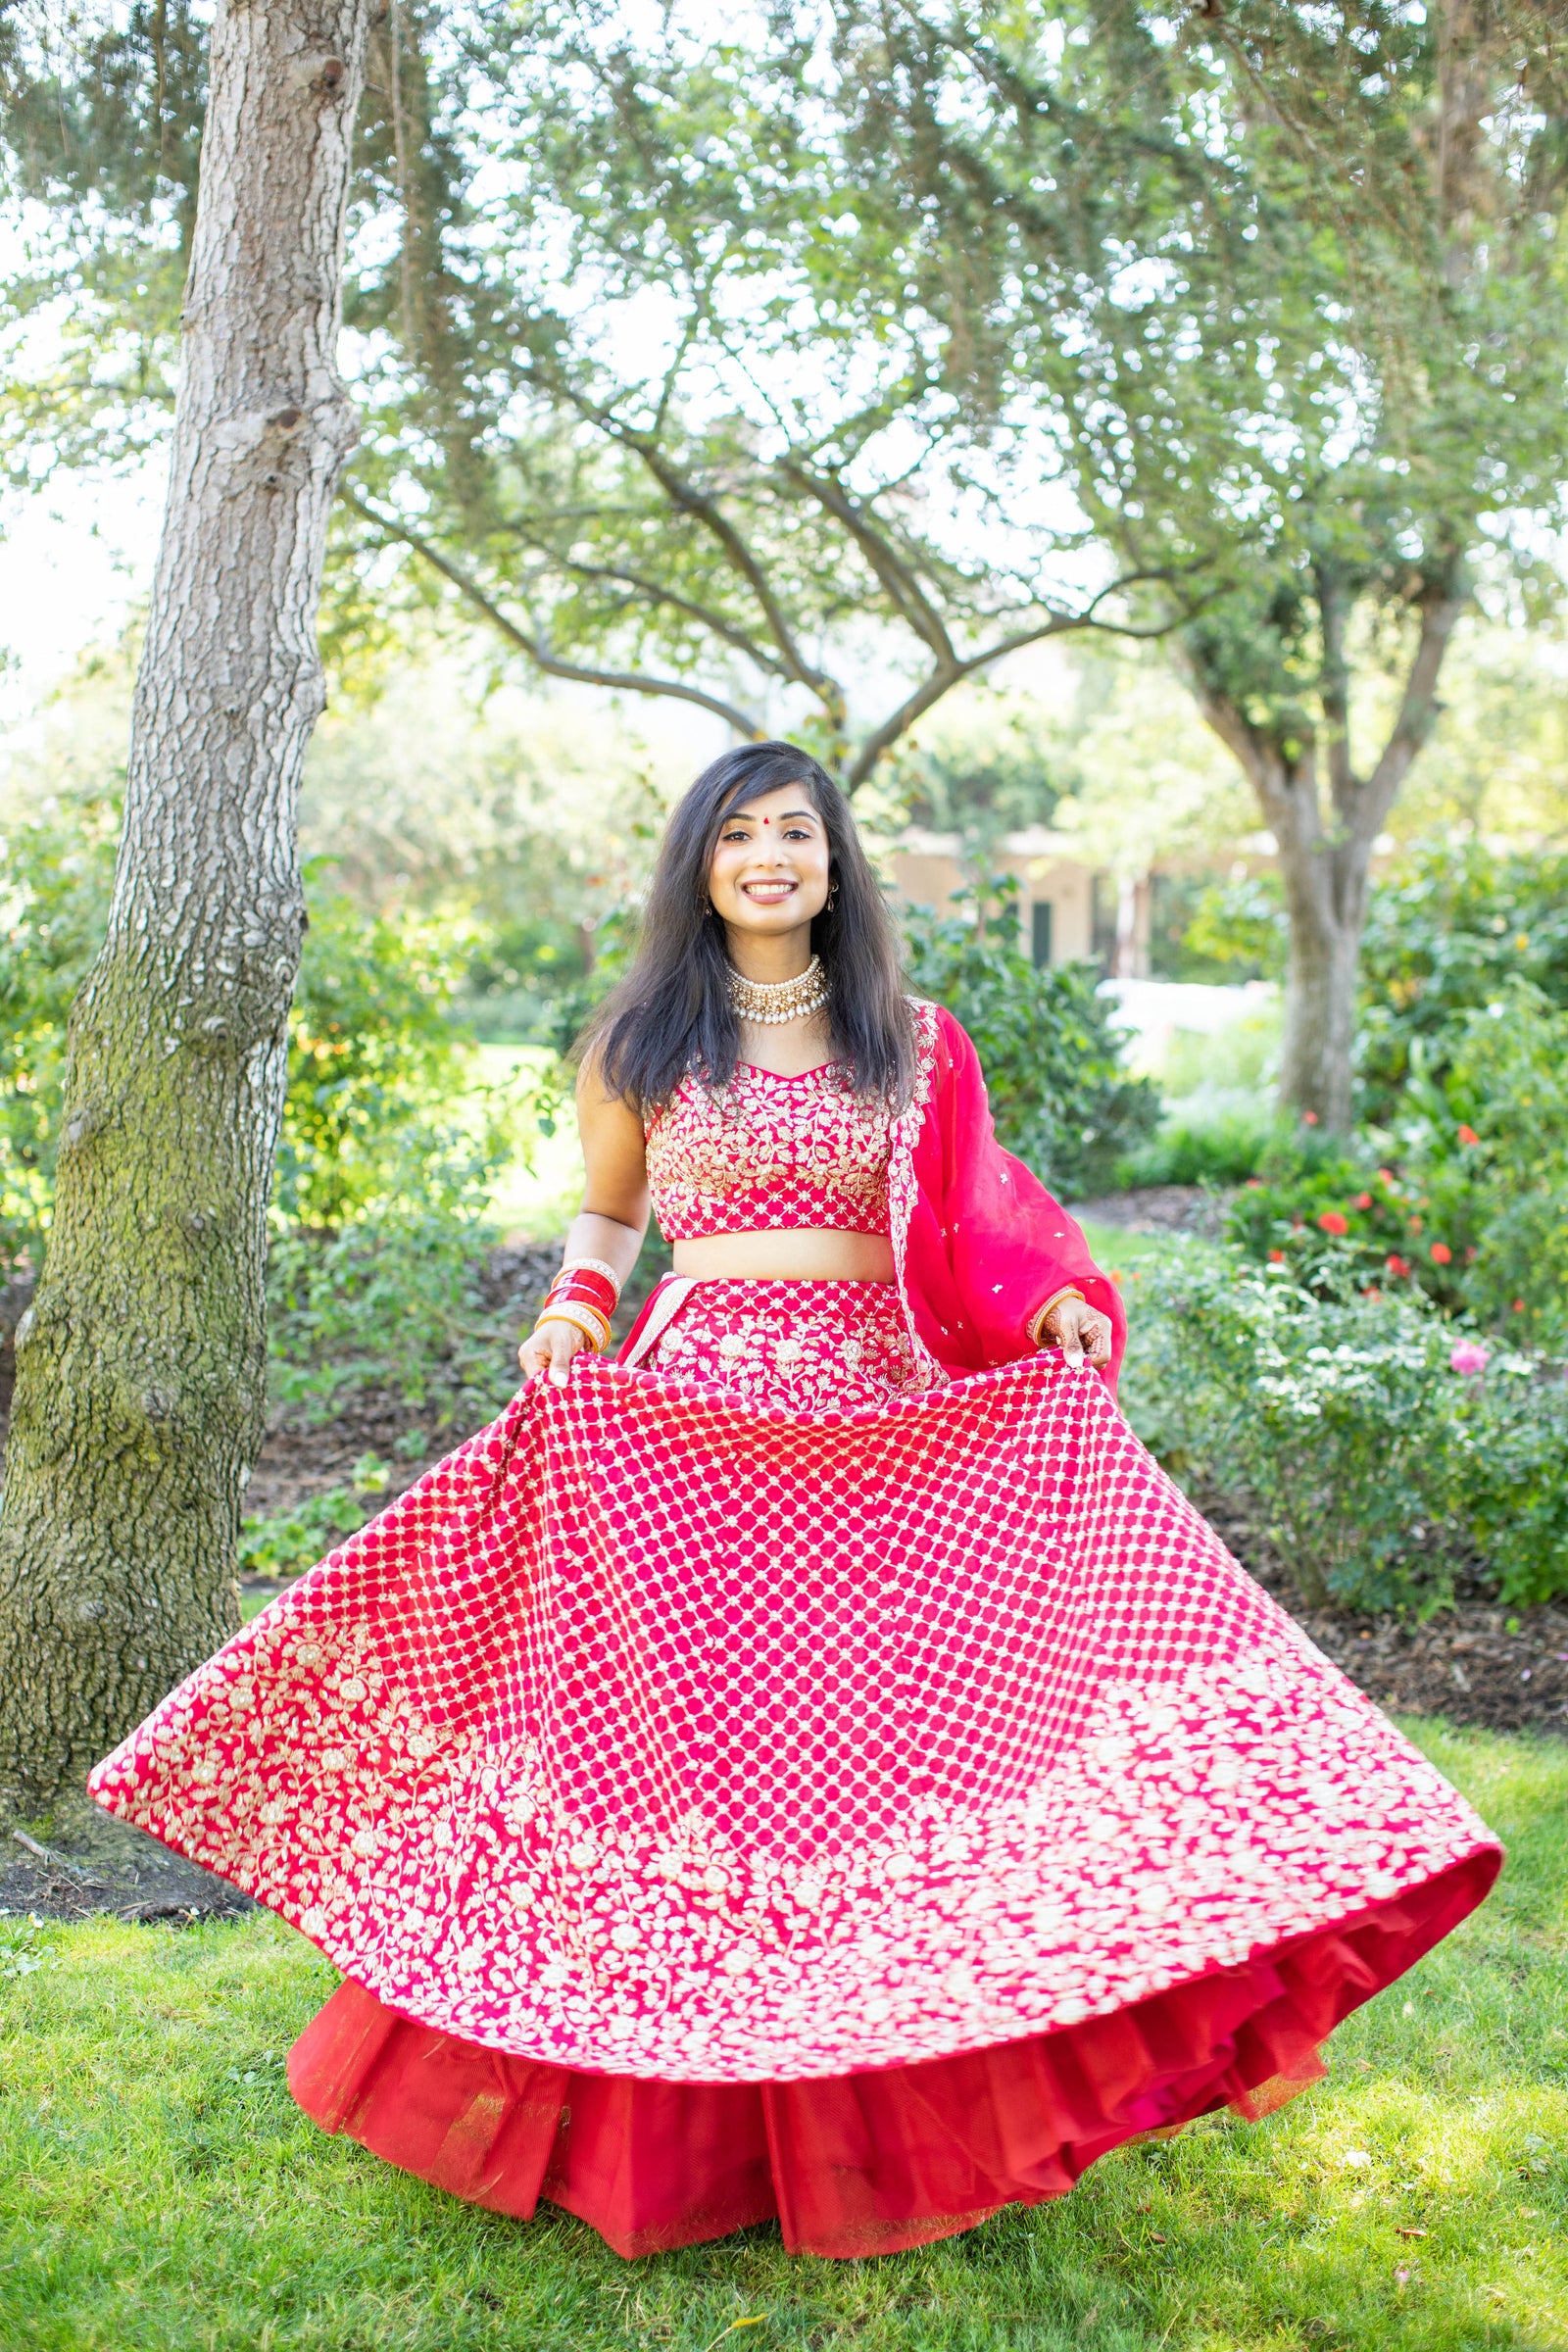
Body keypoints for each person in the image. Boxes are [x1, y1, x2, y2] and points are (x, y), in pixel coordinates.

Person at [89, 742, 1499, 2261]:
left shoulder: (910, 1038)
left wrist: (1055, 1313)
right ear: (701, 860)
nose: (772, 856)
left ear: (835, 864)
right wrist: (573, 1313)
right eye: (742, 833)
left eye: (798, 834)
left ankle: (896, 2073)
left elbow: (985, 1217)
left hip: (880, 1419)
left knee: (871, 1755)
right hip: (696, 1414)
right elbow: (611, 1210)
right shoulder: (644, 1038)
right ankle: (688, 2107)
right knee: (701, 1759)